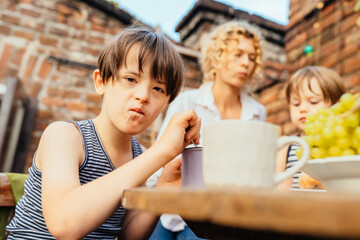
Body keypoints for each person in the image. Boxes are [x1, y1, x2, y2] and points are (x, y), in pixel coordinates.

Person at [6, 26, 201, 239]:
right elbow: (64, 224)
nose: (143, 95)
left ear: (165, 104)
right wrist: (161, 152)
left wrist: (162, 189)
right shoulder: (64, 136)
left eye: (158, 89)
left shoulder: (140, 157)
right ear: (101, 82)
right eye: (131, 79)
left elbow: (129, 234)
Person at [149, 20, 266, 240]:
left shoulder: (258, 112)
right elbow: (161, 155)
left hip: (226, 213)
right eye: (237, 54)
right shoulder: (187, 101)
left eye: (251, 58)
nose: (245, 63)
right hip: (174, 207)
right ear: (217, 56)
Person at [276, 66, 345, 190]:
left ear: (336, 105)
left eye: (313, 101)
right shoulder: (286, 145)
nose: (302, 109)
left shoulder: (338, 144)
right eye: (296, 103)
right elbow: (277, 186)